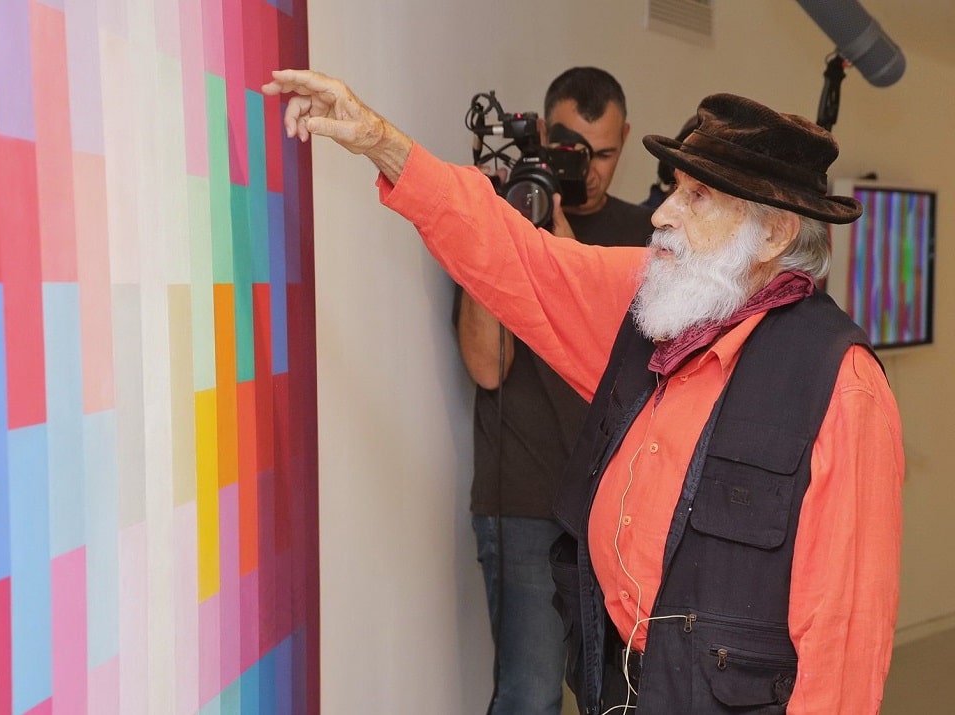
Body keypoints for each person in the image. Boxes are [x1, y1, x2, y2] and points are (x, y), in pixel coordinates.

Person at [262, 69, 904, 714]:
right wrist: (382, 142)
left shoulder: (841, 388)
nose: (662, 213)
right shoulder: (659, 302)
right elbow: (518, 258)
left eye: (699, 196)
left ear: (774, 235)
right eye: (676, 189)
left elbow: (845, 640)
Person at [456, 67, 651, 715]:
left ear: (625, 138)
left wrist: (569, 265)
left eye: (605, 153)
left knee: (620, 697)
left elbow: (639, 367)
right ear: (544, 136)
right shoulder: (513, 218)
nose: (589, 170)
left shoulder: (649, 236)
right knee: (531, 694)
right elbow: (487, 368)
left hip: (620, 511)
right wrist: (506, 231)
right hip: (526, 502)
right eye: (573, 149)